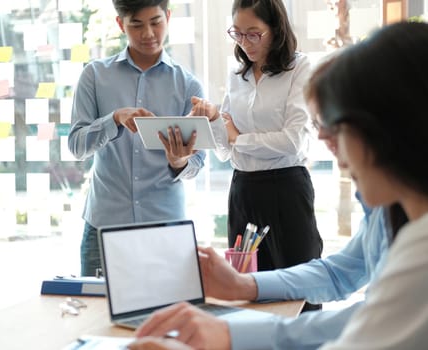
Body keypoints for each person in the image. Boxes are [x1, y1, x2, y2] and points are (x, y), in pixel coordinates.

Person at [130, 21, 428, 349]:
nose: (329, 145)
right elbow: (345, 283)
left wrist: (230, 335)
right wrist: (244, 285)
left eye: (334, 126)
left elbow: (369, 328)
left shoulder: (420, 246)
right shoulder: (388, 208)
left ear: (391, 127)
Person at [68, 0, 206, 276]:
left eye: (156, 22)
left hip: (165, 228)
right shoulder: (94, 76)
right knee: (96, 316)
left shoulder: (188, 85)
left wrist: (179, 162)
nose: (148, 34)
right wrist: (114, 119)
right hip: (104, 226)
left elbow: (198, 162)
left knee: (168, 316)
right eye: (136, 24)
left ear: (167, 17)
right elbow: (77, 146)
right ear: (121, 24)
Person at [190, 0, 323, 279]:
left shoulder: (299, 67)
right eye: (237, 33)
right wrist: (214, 118)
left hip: (286, 187)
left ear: (275, 29)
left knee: (299, 284)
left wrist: (239, 138)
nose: (245, 43)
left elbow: (293, 141)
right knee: (245, 285)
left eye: (253, 33)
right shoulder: (238, 73)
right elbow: (225, 151)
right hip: (242, 190)